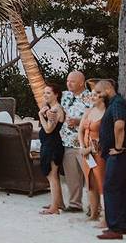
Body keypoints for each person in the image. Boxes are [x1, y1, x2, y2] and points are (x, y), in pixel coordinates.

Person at [93, 80, 126, 239]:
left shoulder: (117, 104)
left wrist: (117, 147)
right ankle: (125, 226)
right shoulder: (116, 103)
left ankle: (115, 228)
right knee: (122, 188)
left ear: (108, 89)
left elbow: (119, 126)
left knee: (110, 187)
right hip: (120, 154)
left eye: (99, 92)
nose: (97, 96)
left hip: (119, 154)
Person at [59, 70, 92, 213]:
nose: (69, 83)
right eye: (67, 81)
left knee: (91, 176)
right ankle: (74, 204)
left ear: (81, 83)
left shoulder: (91, 98)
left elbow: (97, 118)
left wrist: (79, 121)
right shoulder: (65, 96)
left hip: (86, 144)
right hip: (67, 142)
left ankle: (94, 206)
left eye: (72, 81)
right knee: (72, 176)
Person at [80, 87, 107, 226]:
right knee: (89, 182)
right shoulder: (89, 111)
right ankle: (93, 213)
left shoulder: (106, 114)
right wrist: (83, 147)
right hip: (86, 152)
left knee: (101, 183)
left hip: (99, 152)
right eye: (92, 94)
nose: (92, 96)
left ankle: (105, 217)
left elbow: (105, 137)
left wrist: (90, 148)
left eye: (96, 94)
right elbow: (80, 130)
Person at [38, 84, 66, 215]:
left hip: (52, 146)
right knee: (54, 176)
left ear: (56, 95)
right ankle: (58, 203)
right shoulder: (52, 109)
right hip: (52, 144)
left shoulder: (55, 110)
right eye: (44, 93)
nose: (45, 95)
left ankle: (54, 207)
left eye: (48, 93)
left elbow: (49, 129)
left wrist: (40, 116)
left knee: (52, 176)